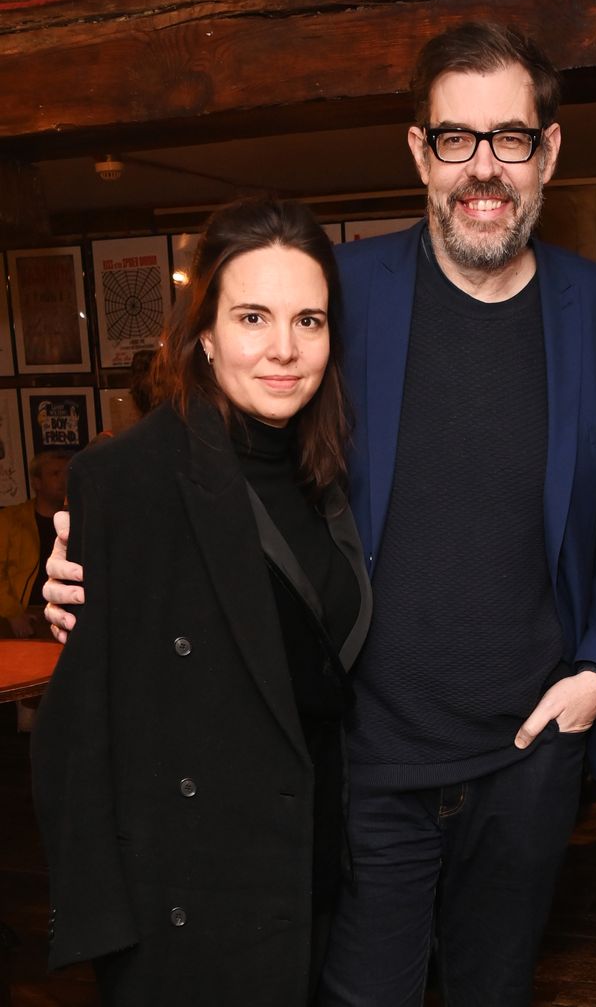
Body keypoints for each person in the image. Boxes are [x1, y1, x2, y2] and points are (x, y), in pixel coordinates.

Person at [44, 22, 596, 1007]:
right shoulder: (342, 292)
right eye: (453, 139)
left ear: (548, 150)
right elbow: (227, 444)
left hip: (529, 759)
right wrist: (98, 552)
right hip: (366, 757)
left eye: (509, 136)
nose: (482, 168)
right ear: (417, 152)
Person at [31, 198, 371, 1007]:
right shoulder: (126, 479)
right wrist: (107, 929)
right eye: (253, 316)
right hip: (189, 905)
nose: (284, 349)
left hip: (311, 871)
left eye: (309, 320)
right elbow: (75, 732)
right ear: (206, 334)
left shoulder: (329, 472)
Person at [0, 451, 70, 639]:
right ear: (37, 483)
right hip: (28, 615)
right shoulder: (11, 520)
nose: (64, 480)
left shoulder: (78, 519)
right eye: (55, 474)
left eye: (68, 474)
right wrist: (12, 614)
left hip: (69, 613)